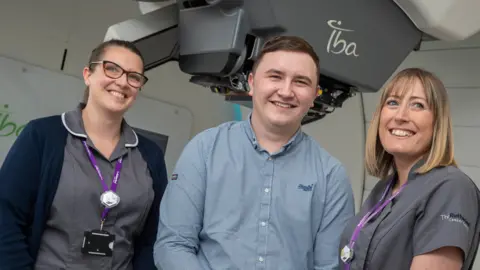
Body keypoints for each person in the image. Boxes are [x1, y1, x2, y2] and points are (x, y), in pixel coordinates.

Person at [154, 35, 355, 270]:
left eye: (301, 82)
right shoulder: (205, 150)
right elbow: (173, 245)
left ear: (313, 96)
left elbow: (329, 266)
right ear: (251, 82)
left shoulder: (331, 177)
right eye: (275, 76)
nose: (286, 91)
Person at [0, 39, 168, 270]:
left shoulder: (151, 155)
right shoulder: (43, 136)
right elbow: (5, 218)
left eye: (134, 77)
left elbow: (153, 237)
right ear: (88, 74)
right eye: (112, 69)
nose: (122, 82)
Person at [338, 68, 480, 270]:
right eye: (393, 102)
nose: (401, 116)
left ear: (437, 123)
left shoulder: (450, 188)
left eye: (418, 105)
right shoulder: (383, 189)